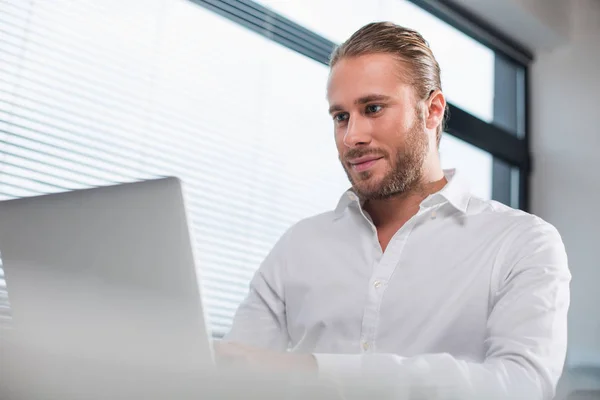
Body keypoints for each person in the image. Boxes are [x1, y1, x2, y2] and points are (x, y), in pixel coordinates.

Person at [215, 21, 570, 399]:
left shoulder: (522, 242)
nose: (352, 137)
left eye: (373, 108)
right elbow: (236, 375)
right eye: (341, 117)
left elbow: (522, 387)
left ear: (432, 111)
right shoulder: (298, 246)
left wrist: (317, 371)